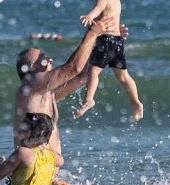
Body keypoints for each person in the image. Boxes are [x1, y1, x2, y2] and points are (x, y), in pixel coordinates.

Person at [14, 15, 109, 157]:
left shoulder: (46, 93)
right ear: (31, 69)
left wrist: (105, 42)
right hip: (31, 173)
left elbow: (83, 75)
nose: (50, 59)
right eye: (42, 59)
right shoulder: (30, 85)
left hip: (46, 172)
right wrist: (91, 33)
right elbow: (73, 68)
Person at [74, 0, 144, 120]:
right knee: (124, 77)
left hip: (105, 41)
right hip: (118, 42)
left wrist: (89, 16)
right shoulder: (117, 0)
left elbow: (98, 9)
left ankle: (89, 99)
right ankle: (136, 102)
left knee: (93, 72)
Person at [0, 113, 71, 185]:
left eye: (23, 130)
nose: (18, 133)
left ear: (36, 133)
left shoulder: (23, 153)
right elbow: (61, 162)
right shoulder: (53, 156)